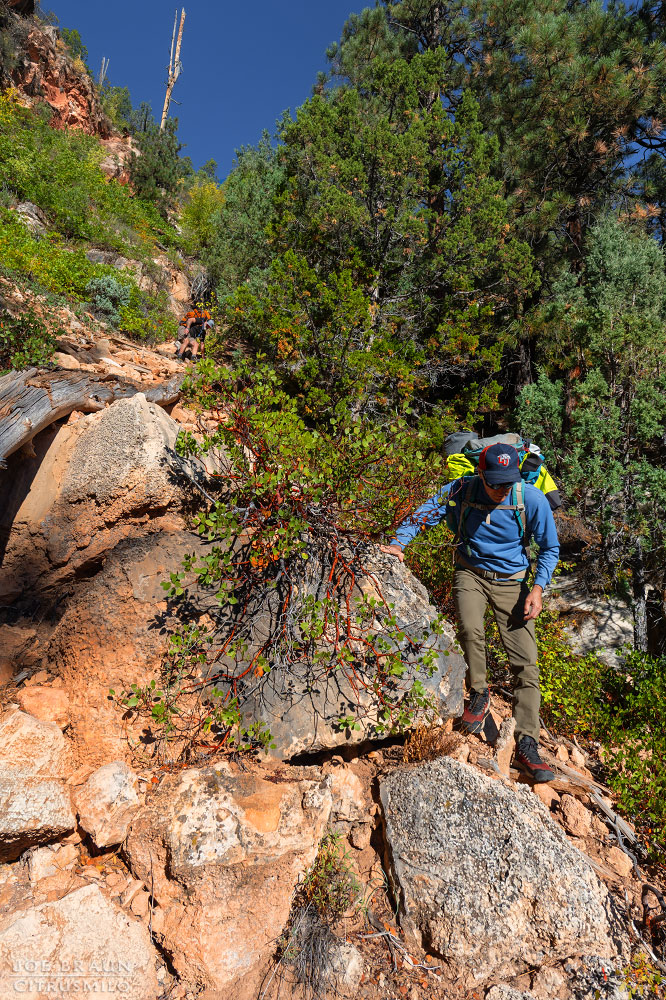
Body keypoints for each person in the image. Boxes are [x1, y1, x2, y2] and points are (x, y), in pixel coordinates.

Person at [382, 442, 560, 782]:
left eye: (506, 483)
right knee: (469, 629)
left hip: (513, 582)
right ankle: (479, 694)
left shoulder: (530, 499)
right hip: (470, 572)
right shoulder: (462, 488)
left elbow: (550, 547)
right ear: (481, 473)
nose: (499, 490)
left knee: (525, 663)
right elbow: (425, 512)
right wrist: (398, 543)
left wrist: (538, 588)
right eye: (494, 483)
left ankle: (527, 743)